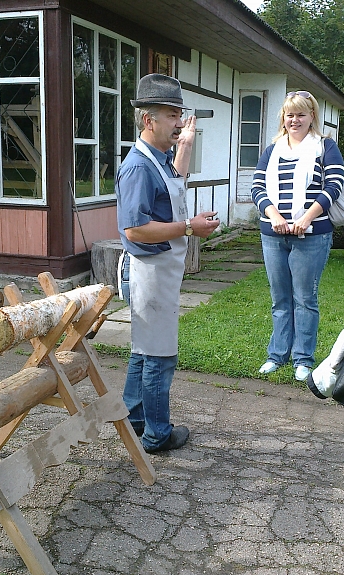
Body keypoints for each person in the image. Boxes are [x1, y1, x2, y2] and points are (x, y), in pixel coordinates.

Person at [115, 74, 219, 454]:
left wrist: (185, 146)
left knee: (144, 350)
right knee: (160, 356)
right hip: (148, 274)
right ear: (149, 120)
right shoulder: (139, 168)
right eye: (173, 115)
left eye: (181, 114)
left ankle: (134, 418)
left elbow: (175, 181)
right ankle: (157, 434)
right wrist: (190, 227)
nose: (180, 122)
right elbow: (136, 229)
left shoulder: (158, 160)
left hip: (159, 274)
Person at [251, 91, 344, 381]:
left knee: (305, 299)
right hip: (274, 234)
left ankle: (303, 359)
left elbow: (334, 185)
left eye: (301, 114)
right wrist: (275, 216)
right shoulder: (272, 149)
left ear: (311, 117)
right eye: (290, 114)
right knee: (280, 299)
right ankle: (276, 355)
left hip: (312, 235)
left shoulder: (325, 147)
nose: (295, 120)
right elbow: (256, 187)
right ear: (284, 117)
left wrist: (306, 219)